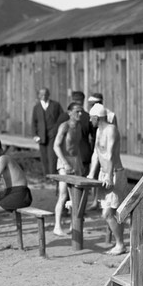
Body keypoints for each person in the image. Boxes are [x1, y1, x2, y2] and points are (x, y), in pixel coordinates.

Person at [87, 103, 128, 255]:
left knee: (109, 212)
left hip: (115, 173)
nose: (90, 121)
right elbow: (96, 154)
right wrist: (92, 173)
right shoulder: (98, 131)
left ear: (97, 118)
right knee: (110, 211)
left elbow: (110, 154)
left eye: (91, 118)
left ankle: (120, 244)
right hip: (104, 174)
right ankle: (119, 243)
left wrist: (110, 176)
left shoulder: (111, 130)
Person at [52, 102, 85, 237]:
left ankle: (74, 225)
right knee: (63, 194)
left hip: (76, 161)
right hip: (64, 161)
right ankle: (57, 226)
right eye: (77, 111)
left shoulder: (79, 126)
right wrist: (65, 163)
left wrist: (80, 163)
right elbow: (56, 146)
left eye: (81, 111)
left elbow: (76, 147)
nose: (80, 114)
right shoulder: (64, 126)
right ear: (69, 112)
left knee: (76, 195)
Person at [31, 87, 67, 177]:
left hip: (53, 134)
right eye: (41, 94)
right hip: (41, 135)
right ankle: (46, 175)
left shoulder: (55, 105)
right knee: (44, 157)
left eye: (45, 94)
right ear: (39, 96)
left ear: (48, 94)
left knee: (52, 156)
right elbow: (34, 122)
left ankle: (52, 175)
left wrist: (57, 129)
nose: (43, 96)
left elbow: (62, 117)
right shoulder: (37, 107)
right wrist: (35, 135)